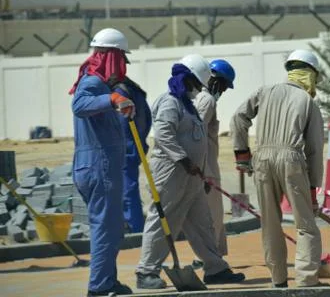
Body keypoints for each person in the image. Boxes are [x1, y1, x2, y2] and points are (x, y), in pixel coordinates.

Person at [135, 54, 245, 289]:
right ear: (190, 79)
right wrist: (184, 160)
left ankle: (216, 269)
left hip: (193, 175)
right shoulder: (170, 102)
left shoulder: (188, 104)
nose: (200, 88)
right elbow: (163, 134)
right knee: (162, 221)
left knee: (201, 222)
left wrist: (202, 173)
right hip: (171, 171)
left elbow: (198, 140)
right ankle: (146, 271)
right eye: (198, 82)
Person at [230, 49, 329, 288]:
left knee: (271, 224)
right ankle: (306, 279)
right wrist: (314, 192)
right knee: (306, 226)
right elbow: (314, 150)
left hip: (262, 159)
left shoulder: (265, 91)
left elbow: (237, 118)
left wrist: (242, 155)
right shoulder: (308, 102)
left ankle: (278, 280)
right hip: (292, 160)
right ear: (310, 74)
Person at [70, 28, 134, 296]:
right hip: (100, 166)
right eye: (122, 60)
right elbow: (79, 105)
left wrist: (120, 109)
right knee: (105, 228)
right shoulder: (93, 84)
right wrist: (112, 98)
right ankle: (99, 287)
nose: (123, 68)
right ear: (111, 57)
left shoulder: (97, 84)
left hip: (95, 165)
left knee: (110, 227)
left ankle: (108, 280)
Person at [192, 59, 236, 259]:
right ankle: (210, 257)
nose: (224, 91)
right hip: (206, 168)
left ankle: (213, 254)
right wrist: (202, 171)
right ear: (216, 81)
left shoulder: (200, 99)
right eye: (225, 86)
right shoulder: (207, 100)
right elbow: (197, 134)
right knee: (213, 215)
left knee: (211, 214)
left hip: (207, 165)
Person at [113, 77, 152, 233]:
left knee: (127, 193)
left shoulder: (120, 91)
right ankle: (132, 227)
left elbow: (122, 125)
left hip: (124, 150)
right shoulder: (134, 89)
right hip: (134, 147)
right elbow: (147, 120)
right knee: (129, 190)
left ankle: (134, 230)